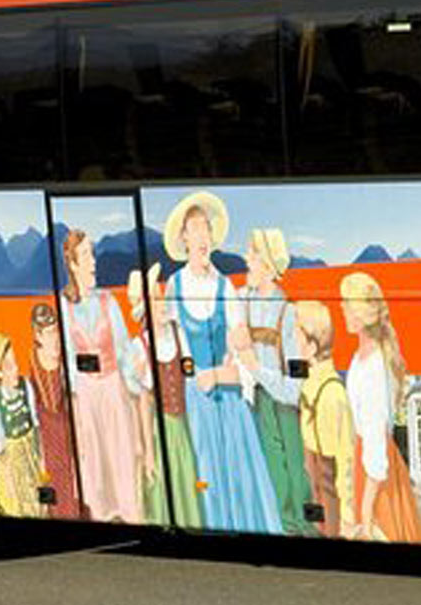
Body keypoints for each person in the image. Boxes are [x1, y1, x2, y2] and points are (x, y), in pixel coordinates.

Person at [163, 191, 282, 534]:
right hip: (197, 404)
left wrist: (217, 373)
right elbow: (172, 351)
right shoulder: (175, 285)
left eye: (206, 228)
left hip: (229, 402)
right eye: (194, 228)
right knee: (207, 477)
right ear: (184, 238)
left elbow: (245, 358)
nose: (202, 235)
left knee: (240, 475)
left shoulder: (226, 288)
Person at [60, 228, 145, 523]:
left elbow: (123, 354)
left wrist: (139, 386)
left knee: (122, 460)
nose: (93, 262)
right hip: (86, 394)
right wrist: (77, 411)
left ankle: (130, 515)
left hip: (113, 390)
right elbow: (69, 363)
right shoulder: (64, 307)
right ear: (72, 264)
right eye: (86, 255)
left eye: (92, 253)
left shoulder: (109, 302)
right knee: (95, 470)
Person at [237, 228, 315, 535]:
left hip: (281, 405)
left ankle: (300, 526)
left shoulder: (287, 312)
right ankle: (283, 526)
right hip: (255, 400)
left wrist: (257, 368)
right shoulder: (243, 300)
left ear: (269, 265)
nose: (247, 260)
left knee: (293, 469)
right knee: (269, 469)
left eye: (253, 255)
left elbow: (294, 388)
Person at [339, 271, 421, 542]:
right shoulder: (362, 356)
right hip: (368, 461)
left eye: (347, 304)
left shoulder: (374, 368)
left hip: (376, 476)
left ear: (360, 315)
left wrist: (365, 513)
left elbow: (375, 441)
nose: (341, 307)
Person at [128, 266, 203, 528]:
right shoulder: (141, 347)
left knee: (188, 480)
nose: (162, 305)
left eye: (162, 298)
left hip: (183, 423)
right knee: (164, 483)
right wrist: (148, 451)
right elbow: (144, 401)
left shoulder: (178, 333)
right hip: (161, 430)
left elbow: (190, 375)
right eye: (156, 300)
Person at [294, 298, 355, 538]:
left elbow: (344, 462)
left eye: (294, 338)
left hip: (331, 517)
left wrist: (348, 519)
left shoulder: (331, 393)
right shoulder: (309, 384)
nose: (289, 344)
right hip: (318, 509)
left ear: (311, 347)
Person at [25, 304, 80, 518]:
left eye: (55, 331)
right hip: (48, 433)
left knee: (72, 474)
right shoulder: (31, 361)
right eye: (48, 333)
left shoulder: (65, 359)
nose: (54, 338)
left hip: (67, 426)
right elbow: (33, 405)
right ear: (38, 336)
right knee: (56, 477)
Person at [0, 330, 45, 518]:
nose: (16, 369)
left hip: (29, 448)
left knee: (37, 491)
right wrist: (2, 458)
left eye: (15, 363)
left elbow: (35, 420)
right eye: (9, 366)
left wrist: (39, 448)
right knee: (17, 498)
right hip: (12, 455)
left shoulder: (26, 387)